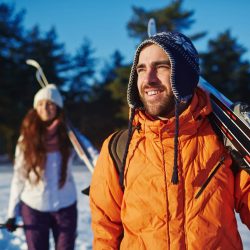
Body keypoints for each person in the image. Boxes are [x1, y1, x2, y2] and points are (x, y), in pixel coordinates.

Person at [89, 31, 250, 249]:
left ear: (185, 75)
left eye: (161, 67)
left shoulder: (226, 137)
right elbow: (105, 231)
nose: (148, 79)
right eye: (141, 69)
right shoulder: (118, 147)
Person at [5, 84, 98, 250]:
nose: (45, 108)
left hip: (65, 205)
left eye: (50, 103)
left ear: (58, 107)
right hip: (34, 207)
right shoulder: (26, 139)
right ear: (35, 108)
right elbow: (19, 176)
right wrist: (12, 213)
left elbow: (92, 154)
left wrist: (101, 175)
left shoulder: (69, 135)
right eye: (40, 104)